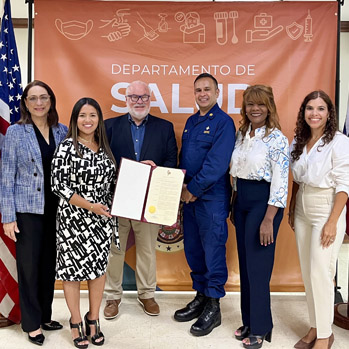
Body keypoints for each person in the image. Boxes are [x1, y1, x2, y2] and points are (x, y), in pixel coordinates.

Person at [0, 80, 67, 346]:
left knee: (49, 265)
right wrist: (8, 216)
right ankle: (31, 323)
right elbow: (6, 177)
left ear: (51, 100)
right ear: (25, 103)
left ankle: (45, 315)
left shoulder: (62, 131)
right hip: (27, 210)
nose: (39, 103)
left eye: (44, 97)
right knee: (28, 267)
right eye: (33, 98)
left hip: (58, 209)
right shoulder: (17, 132)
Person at [103, 80, 178, 318]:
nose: (139, 101)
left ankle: (146, 294)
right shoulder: (108, 126)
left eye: (143, 97)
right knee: (115, 249)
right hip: (118, 198)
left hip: (150, 200)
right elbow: (101, 161)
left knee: (146, 249)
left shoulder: (164, 128)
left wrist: (155, 167)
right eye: (134, 97)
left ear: (150, 99)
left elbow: (172, 162)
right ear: (126, 100)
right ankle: (112, 297)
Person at [51, 97, 118, 348]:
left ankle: (94, 318)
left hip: (100, 221)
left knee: (97, 272)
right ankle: (76, 321)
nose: (87, 120)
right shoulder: (67, 147)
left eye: (92, 115)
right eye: (82, 115)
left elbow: (112, 183)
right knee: (72, 274)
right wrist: (90, 206)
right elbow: (58, 186)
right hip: (73, 219)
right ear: (74, 119)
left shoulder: (104, 147)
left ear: (99, 119)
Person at [174, 73, 236, 336]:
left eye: (207, 89)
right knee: (194, 249)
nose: (202, 94)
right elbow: (184, 159)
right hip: (189, 199)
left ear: (217, 92)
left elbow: (217, 165)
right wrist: (178, 187)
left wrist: (194, 190)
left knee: (212, 250)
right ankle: (200, 295)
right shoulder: (191, 121)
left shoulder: (224, 123)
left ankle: (213, 305)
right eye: (198, 90)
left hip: (211, 199)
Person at [289, 91, 349, 349]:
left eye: (321, 108)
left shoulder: (340, 141)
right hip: (302, 206)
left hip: (327, 207)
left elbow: (345, 184)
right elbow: (296, 179)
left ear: (329, 113)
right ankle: (315, 326)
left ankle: (325, 335)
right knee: (308, 273)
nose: (315, 113)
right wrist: (292, 208)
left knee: (321, 273)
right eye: (310, 108)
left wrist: (333, 221)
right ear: (304, 112)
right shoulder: (299, 141)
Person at [230, 85, 289, 348]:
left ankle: (262, 328)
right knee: (245, 266)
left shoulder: (276, 138)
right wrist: (234, 200)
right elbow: (237, 169)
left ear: (269, 107)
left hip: (263, 205)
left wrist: (268, 219)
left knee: (258, 268)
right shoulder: (242, 134)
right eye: (251, 104)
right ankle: (250, 321)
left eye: (261, 104)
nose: (255, 109)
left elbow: (280, 181)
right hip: (241, 201)